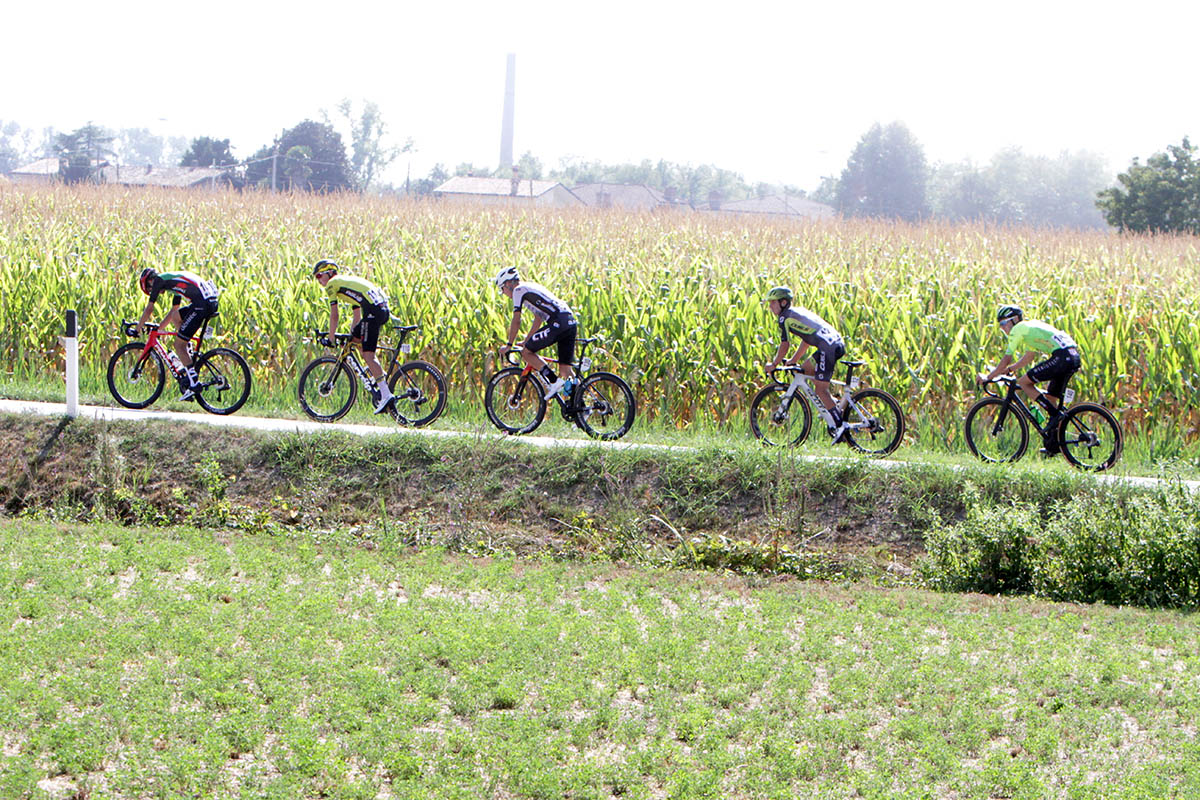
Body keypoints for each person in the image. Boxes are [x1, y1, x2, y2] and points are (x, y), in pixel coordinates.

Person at [978, 304, 1081, 455]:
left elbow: (1006, 358)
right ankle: (1054, 444)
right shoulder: (1028, 330)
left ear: (1013, 320)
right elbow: (1029, 357)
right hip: (1071, 356)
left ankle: (1056, 416)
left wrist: (988, 377)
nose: (1002, 328)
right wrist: (1009, 370)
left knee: (1023, 383)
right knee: (1051, 397)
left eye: (1003, 323)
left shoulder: (1018, 329)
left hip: (1062, 357)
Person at [762, 286, 849, 442]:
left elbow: (785, 345)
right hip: (833, 343)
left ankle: (839, 424)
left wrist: (774, 364)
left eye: (773, 303)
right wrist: (794, 360)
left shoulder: (784, 318)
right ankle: (833, 404)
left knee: (820, 389)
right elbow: (806, 340)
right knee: (805, 369)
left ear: (783, 303)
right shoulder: (797, 312)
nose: (770, 307)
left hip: (827, 348)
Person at [312, 258, 395, 413]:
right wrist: (351, 337)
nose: (318, 281)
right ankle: (377, 372)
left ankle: (386, 394)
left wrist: (331, 338)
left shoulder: (332, 284)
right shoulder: (347, 285)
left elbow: (334, 315)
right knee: (357, 340)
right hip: (379, 310)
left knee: (368, 355)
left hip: (373, 311)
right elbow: (357, 317)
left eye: (319, 276)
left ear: (329, 273)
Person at [136, 266, 220, 401]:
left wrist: (137, 329)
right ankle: (188, 353)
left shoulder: (158, 280)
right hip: (208, 302)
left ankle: (194, 384)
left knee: (178, 345)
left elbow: (149, 309)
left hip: (201, 305)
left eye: (150, 289)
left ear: (149, 282)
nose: (153, 291)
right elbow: (174, 311)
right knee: (177, 316)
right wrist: (159, 329)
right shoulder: (172, 282)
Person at [494, 266, 578, 400]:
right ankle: (581, 408)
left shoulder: (518, 291)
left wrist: (509, 345)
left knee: (526, 353)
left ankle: (553, 381)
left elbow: (516, 320)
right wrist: (527, 340)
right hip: (569, 322)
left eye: (502, 288)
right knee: (565, 370)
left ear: (509, 283)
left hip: (558, 322)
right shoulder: (529, 288)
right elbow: (538, 318)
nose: (503, 293)